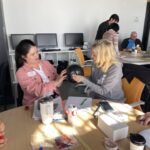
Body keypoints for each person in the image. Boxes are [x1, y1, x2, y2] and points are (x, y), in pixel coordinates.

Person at [15, 39, 66, 108]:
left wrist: (61, 77)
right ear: (23, 57)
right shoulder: (21, 72)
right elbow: (37, 91)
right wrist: (55, 83)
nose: (37, 56)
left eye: (37, 52)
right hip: (36, 104)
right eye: (33, 54)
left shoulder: (46, 63)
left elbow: (57, 81)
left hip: (54, 98)